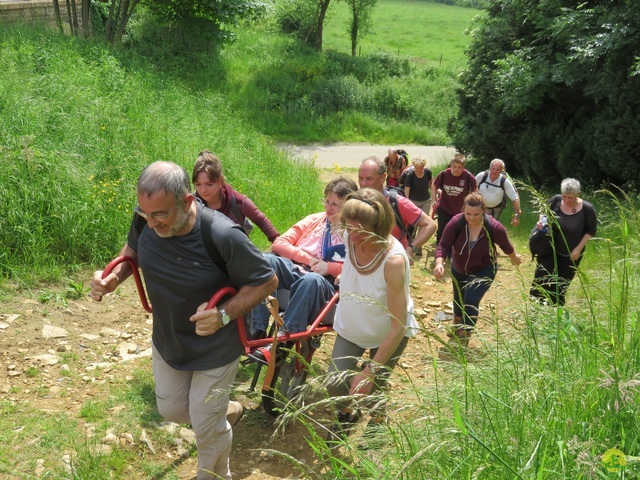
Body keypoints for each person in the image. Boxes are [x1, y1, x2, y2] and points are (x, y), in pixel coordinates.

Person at [90, 161, 278, 480]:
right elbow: (131, 253)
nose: (150, 224)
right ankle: (228, 412)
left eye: (160, 215)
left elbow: (267, 281)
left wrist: (223, 314)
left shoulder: (221, 233)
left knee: (205, 425)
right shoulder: (146, 217)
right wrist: (112, 279)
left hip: (216, 346)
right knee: (173, 410)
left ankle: (215, 474)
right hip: (169, 338)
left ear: (187, 201)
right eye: (145, 214)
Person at [325, 187, 418, 438]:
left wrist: (370, 371)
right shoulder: (348, 236)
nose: (351, 235)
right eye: (348, 227)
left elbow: (398, 324)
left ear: (378, 226)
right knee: (335, 384)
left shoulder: (393, 261)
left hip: (387, 332)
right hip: (353, 326)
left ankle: (377, 421)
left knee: (372, 388)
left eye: (359, 230)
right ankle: (347, 413)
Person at [249, 177, 358, 364]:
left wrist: (330, 267)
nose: (329, 208)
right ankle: (256, 333)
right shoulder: (314, 220)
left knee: (312, 279)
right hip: (298, 269)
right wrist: (308, 258)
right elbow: (279, 243)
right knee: (265, 260)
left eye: (335, 205)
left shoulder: (353, 233)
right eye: (327, 202)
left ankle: (283, 342)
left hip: (323, 284)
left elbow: (357, 267)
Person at [433, 192, 522, 344]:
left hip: (484, 268)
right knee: (458, 299)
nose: (472, 218)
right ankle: (458, 321)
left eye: (476, 214)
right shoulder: (456, 223)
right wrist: (439, 263)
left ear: (484, 211)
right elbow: (444, 245)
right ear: (463, 210)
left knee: (470, 298)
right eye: (468, 213)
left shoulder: (494, 227)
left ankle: (466, 332)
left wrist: (515, 259)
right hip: (459, 267)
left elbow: (507, 247)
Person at [530, 178, 597, 306]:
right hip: (549, 249)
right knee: (541, 277)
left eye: (570, 198)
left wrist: (578, 249)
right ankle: (535, 307)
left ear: (578, 194)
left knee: (560, 285)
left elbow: (590, 231)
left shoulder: (587, 209)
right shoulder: (556, 200)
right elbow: (544, 212)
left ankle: (554, 310)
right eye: (564, 196)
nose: (566, 200)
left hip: (571, 254)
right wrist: (541, 223)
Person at [192, 150, 280, 242]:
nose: (203, 190)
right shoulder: (191, 204)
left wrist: (278, 242)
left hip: (236, 252)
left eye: (209, 184)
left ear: (220, 181)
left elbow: (261, 220)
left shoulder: (239, 202)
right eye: (198, 184)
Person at [358, 157, 436, 259]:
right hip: (364, 263)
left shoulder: (398, 202)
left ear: (383, 178)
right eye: (360, 178)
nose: (363, 183)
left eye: (369, 179)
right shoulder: (356, 201)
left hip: (393, 264)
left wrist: (411, 248)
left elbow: (430, 225)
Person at [431, 153, 477, 245]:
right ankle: (441, 249)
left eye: (459, 167)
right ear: (451, 165)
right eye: (454, 167)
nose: (457, 170)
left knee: (457, 230)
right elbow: (434, 185)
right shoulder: (444, 174)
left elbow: (475, 190)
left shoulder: (468, 176)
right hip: (444, 206)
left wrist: (472, 202)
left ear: (463, 166)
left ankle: (454, 251)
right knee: (442, 229)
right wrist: (434, 200)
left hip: (460, 209)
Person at [475, 158, 522, 224]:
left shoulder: (504, 181)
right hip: (480, 206)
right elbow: (471, 188)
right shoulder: (482, 176)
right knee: (478, 224)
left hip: (497, 208)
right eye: (493, 168)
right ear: (490, 168)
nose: (494, 171)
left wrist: (516, 215)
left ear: (501, 171)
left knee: (491, 226)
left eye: (497, 170)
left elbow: (515, 198)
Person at [404, 156, 433, 256]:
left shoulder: (428, 172)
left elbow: (432, 186)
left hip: (425, 201)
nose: (419, 169)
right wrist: (407, 204)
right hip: (413, 202)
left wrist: (435, 198)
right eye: (417, 167)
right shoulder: (410, 175)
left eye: (421, 167)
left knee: (423, 225)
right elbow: (406, 191)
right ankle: (411, 245)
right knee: (413, 225)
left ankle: (418, 247)